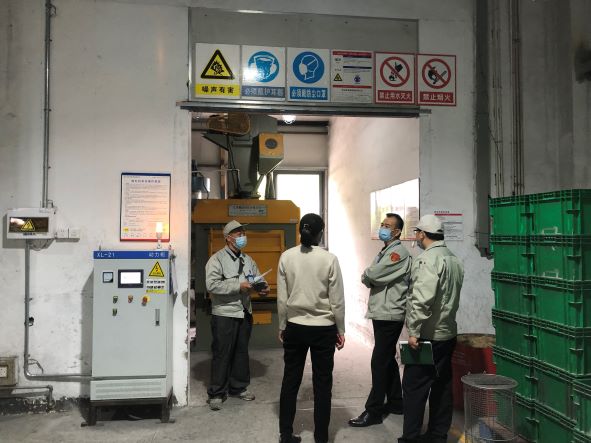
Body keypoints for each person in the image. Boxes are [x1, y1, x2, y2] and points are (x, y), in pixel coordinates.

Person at [277, 213, 346, 443]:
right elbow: (337, 300)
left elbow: (282, 298)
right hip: (323, 329)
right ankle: (321, 437)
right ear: (321, 233)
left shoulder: (287, 257)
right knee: (323, 384)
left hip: (295, 327)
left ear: (300, 231)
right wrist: (340, 329)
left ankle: (286, 434)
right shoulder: (329, 259)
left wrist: (282, 324)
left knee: (290, 380)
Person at [398, 214, 464, 443]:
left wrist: (414, 332)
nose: (416, 236)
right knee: (442, 385)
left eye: (416, 232)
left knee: (413, 387)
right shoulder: (453, 259)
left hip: (428, 336)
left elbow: (422, 300)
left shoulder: (427, 260)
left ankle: (410, 437)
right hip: (448, 333)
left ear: (422, 234)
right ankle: (437, 435)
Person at [349, 213, 412, 428]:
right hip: (382, 312)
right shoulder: (385, 251)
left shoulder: (398, 253)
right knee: (387, 359)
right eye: (382, 224)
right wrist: (370, 275)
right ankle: (396, 402)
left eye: (387, 226)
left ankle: (373, 411)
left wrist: (369, 275)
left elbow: (373, 275)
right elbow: (371, 275)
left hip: (390, 313)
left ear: (397, 232)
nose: (382, 228)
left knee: (379, 361)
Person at [205, 220, 268, 411]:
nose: (243, 237)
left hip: (244, 312)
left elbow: (256, 278)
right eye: (239, 234)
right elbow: (212, 285)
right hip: (224, 313)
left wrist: (262, 288)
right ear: (228, 238)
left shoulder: (248, 260)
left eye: (243, 234)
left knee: (241, 352)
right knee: (222, 353)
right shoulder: (216, 260)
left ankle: (238, 387)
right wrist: (238, 286)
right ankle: (217, 393)